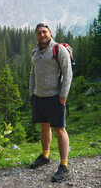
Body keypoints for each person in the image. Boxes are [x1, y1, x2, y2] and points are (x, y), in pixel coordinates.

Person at [29, 23, 72, 182]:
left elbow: (68, 73)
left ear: (50, 32)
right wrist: (31, 92)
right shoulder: (35, 51)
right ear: (36, 35)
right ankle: (46, 156)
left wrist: (63, 96)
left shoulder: (58, 49)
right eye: (39, 33)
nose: (42, 35)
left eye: (44, 32)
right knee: (44, 126)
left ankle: (64, 165)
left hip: (55, 96)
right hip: (38, 97)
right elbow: (32, 73)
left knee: (60, 129)